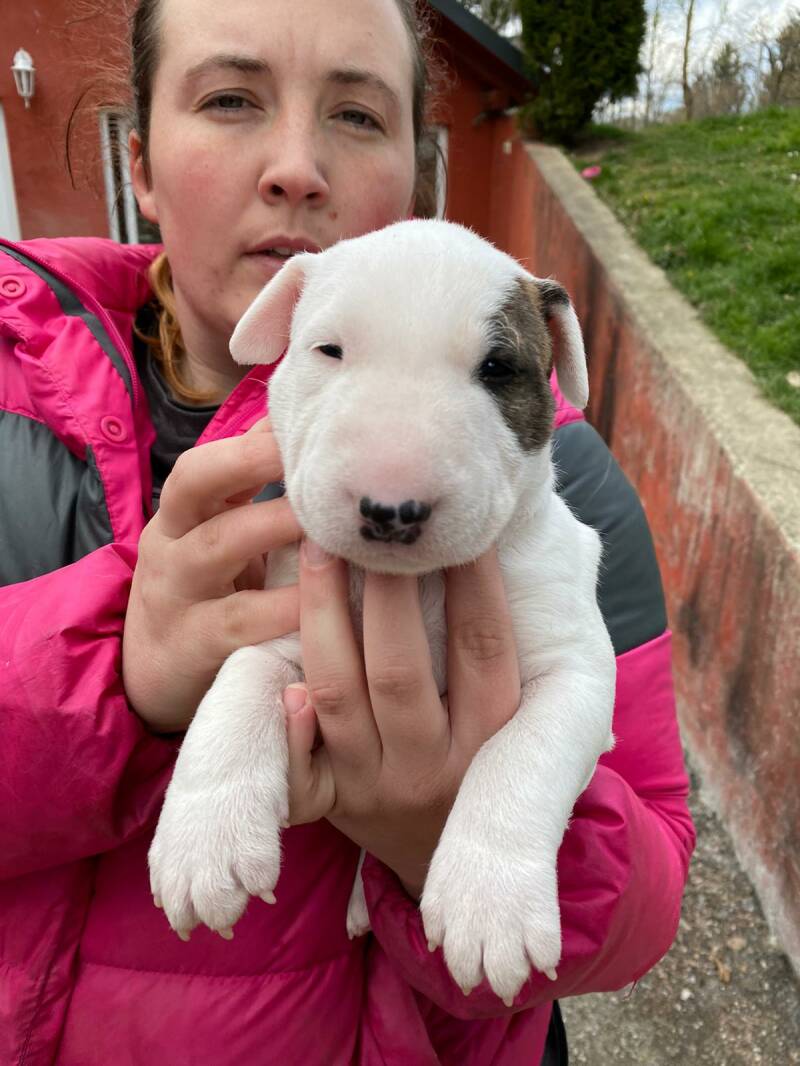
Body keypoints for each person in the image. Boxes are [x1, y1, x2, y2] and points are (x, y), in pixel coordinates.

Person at [0, 0, 695, 1062]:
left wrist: (476, 837)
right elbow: (273, 658)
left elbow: (602, 749)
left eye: (357, 116)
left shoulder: (566, 497)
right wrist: (120, 680)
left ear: (414, 173)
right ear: (138, 161)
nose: (294, 168)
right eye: (230, 99)